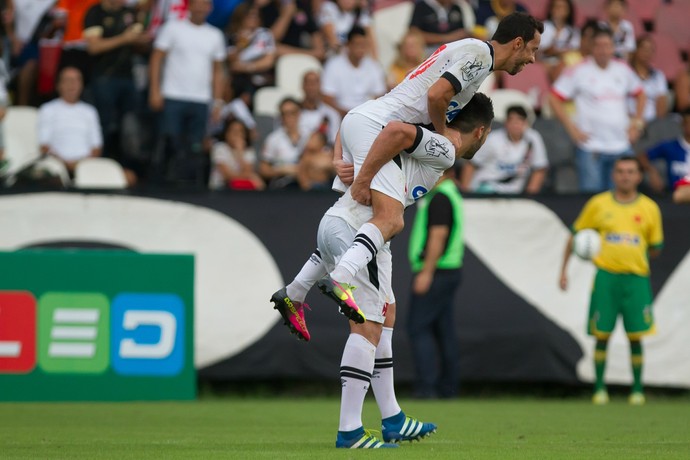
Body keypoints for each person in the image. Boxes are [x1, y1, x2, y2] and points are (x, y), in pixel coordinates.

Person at [271, 93, 494, 448]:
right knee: (367, 328)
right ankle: (350, 431)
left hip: (341, 225)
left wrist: (340, 156)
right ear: (481, 131)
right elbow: (391, 129)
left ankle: (391, 417)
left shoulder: (420, 138)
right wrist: (343, 161)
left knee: (386, 313)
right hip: (359, 230)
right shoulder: (441, 148)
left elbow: (360, 114)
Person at [318, 12, 542, 316]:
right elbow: (437, 95)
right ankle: (340, 278)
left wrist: (342, 155)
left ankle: (295, 291)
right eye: (532, 50)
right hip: (382, 130)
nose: (531, 59)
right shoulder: (479, 56)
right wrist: (443, 131)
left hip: (371, 124)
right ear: (518, 43)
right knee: (391, 220)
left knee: (368, 227)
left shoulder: (469, 49)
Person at [559, 156, 663, 405]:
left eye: (630, 171)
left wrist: (633, 255)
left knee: (636, 335)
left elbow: (656, 247)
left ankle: (637, 390)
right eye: (620, 171)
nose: (625, 176)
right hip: (606, 278)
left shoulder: (649, 208)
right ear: (613, 175)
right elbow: (575, 236)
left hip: (636, 279)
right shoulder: (598, 204)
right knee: (601, 333)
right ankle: (599, 389)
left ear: (639, 176)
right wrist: (563, 270)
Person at [549, 27, 645, 192]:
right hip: (591, 148)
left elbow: (641, 94)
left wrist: (637, 124)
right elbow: (553, 97)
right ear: (591, 47)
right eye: (598, 45)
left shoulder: (623, 69)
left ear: (613, 48)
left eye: (607, 45)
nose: (603, 50)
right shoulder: (579, 69)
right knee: (592, 199)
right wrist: (571, 129)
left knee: (621, 200)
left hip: (621, 145)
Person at [149, 0, 226, 185]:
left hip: (201, 99)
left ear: (210, 8)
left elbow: (217, 71)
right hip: (173, 96)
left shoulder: (215, 35)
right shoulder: (173, 28)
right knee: (170, 143)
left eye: (204, 4)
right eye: (197, 4)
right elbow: (156, 59)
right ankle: (163, 185)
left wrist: (217, 102)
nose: (200, 8)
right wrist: (155, 90)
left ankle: (191, 187)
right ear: (189, 6)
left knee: (195, 146)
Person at [407, 165, 465, 399]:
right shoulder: (450, 195)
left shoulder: (440, 198)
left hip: (437, 272)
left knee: (418, 328)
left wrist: (426, 273)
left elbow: (437, 236)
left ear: (448, 174)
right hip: (448, 271)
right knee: (444, 330)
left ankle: (427, 388)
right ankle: (448, 388)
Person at [83, 0, 150, 161]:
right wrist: (124, 39)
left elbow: (139, 41)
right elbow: (93, 47)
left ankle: (127, 166)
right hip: (104, 76)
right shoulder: (95, 12)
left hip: (128, 77)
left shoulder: (130, 12)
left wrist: (142, 39)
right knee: (104, 123)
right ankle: (100, 162)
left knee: (130, 125)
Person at [460, 104, 548, 194]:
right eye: (512, 121)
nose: (516, 125)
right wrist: (466, 193)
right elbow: (471, 164)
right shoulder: (493, 140)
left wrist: (530, 197)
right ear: (506, 123)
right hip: (486, 188)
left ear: (526, 123)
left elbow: (539, 169)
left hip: (515, 195)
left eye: (520, 121)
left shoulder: (533, 139)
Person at [321, 26, 386, 118]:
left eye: (363, 45)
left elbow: (379, 95)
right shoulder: (333, 65)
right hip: (341, 112)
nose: (361, 49)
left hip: (366, 113)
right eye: (357, 44)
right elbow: (327, 97)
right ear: (348, 45)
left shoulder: (374, 66)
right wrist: (345, 114)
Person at [637, 108, 690, 194]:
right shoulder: (670, 146)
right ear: (683, 124)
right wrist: (652, 172)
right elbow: (642, 156)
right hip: (674, 196)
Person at [258, 97, 308, 188]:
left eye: (292, 113)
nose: (288, 117)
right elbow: (263, 169)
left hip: (307, 181)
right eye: (284, 114)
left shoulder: (309, 136)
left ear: (299, 114)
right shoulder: (273, 139)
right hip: (282, 183)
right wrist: (282, 170)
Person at [208, 118, 265, 190]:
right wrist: (250, 176)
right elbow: (227, 176)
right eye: (234, 131)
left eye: (240, 131)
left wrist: (239, 152)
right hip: (221, 187)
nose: (237, 134)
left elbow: (248, 171)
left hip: (241, 187)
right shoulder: (220, 148)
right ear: (227, 133)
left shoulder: (248, 151)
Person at [628, 35, 668, 123]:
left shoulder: (658, 76)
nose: (647, 53)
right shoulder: (626, 73)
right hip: (630, 121)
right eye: (644, 49)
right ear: (636, 50)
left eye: (650, 50)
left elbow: (661, 102)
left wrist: (658, 123)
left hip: (653, 124)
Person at [538, 0, 579, 82]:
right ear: (551, 9)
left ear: (569, 11)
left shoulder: (573, 31)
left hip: (565, 64)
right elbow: (544, 50)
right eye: (557, 7)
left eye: (563, 7)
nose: (560, 10)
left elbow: (574, 51)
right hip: (545, 62)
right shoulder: (543, 26)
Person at [299, 71, 341, 145]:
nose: (311, 87)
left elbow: (333, 142)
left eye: (315, 83)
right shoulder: (293, 112)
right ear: (302, 86)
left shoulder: (332, 114)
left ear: (320, 86)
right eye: (308, 83)